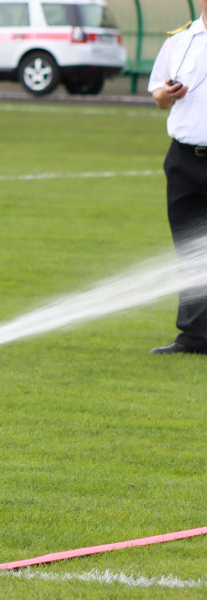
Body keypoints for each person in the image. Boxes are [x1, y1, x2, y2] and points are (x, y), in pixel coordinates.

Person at [148, 2, 207, 355]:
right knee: (189, 249)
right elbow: (157, 96)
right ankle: (195, 337)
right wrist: (165, 95)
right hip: (183, 160)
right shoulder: (179, 41)